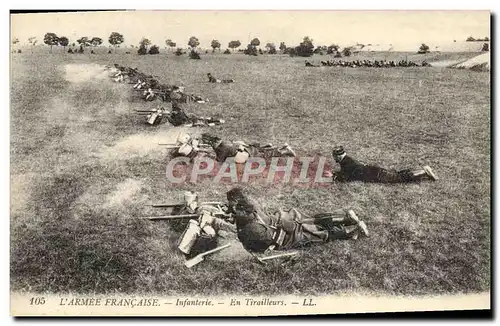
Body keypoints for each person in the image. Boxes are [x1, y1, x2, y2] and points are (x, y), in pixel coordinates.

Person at [205, 188, 369, 254]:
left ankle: (352, 230)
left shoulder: (249, 228)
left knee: (317, 234)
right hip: (281, 221)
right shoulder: (252, 209)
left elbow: (270, 240)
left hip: (285, 235)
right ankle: (345, 217)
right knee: (311, 219)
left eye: (233, 210)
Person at [330, 146, 438, 183]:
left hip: (376, 175)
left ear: (338, 156)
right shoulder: (347, 160)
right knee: (397, 174)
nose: (334, 158)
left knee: (398, 178)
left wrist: (334, 176)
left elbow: (346, 177)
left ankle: (424, 172)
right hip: (375, 171)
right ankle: (421, 171)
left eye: (334, 156)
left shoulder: (347, 163)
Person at [201, 134, 296, 163]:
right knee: (260, 152)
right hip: (246, 148)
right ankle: (277, 147)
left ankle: (284, 151)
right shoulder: (224, 143)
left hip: (245, 154)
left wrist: (207, 155)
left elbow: (219, 161)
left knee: (263, 156)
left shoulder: (221, 149)